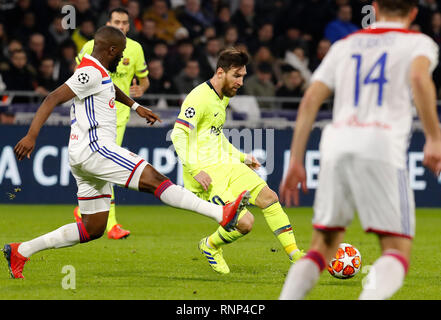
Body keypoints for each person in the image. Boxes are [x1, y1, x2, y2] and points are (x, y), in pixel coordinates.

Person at [3, 26, 250, 279]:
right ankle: (221, 213)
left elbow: (109, 88)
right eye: (120, 53)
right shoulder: (88, 72)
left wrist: (135, 106)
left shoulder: (99, 72)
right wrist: (31, 136)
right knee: (156, 180)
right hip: (95, 147)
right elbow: (52, 98)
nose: (122, 58)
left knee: (93, 227)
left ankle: (21, 251)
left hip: (82, 155)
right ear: (110, 50)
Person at [279, 0, 441, 300]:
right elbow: (419, 77)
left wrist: (297, 159)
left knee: (322, 246)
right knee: (396, 249)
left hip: (336, 144)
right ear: (414, 12)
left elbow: (311, 98)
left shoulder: (345, 45)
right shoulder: (419, 42)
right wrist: (434, 136)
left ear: (375, 8)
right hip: (381, 144)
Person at [170, 48, 304, 275]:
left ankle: (296, 255)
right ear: (220, 72)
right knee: (245, 223)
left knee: (269, 198)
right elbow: (178, 135)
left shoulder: (221, 98)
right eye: (236, 76)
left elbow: (215, 135)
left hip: (227, 165)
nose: (241, 82)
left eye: (243, 76)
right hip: (207, 174)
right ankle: (210, 245)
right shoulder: (199, 97)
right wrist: (194, 170)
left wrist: (242, 157)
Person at [74, 7, 150, 239]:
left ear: (129, 26)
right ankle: (111, 224)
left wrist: (140, 90)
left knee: (103, 170)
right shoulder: (90, 46)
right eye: (116, 21)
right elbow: (79, 76)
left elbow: (144, 80)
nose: (121, 26)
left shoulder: (135, 49)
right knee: (106, 169)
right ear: (108, 23)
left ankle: (85, 210)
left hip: (119, 117)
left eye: (125, 22)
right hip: (94, 115)